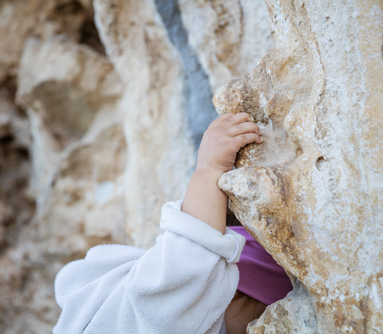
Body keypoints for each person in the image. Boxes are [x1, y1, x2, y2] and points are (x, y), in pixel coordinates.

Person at [54, 112, 293, 334]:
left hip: (239, 270)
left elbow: (189, 258)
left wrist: (210, 168)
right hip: (237, 269)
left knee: (187, 282)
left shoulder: (162, 309)